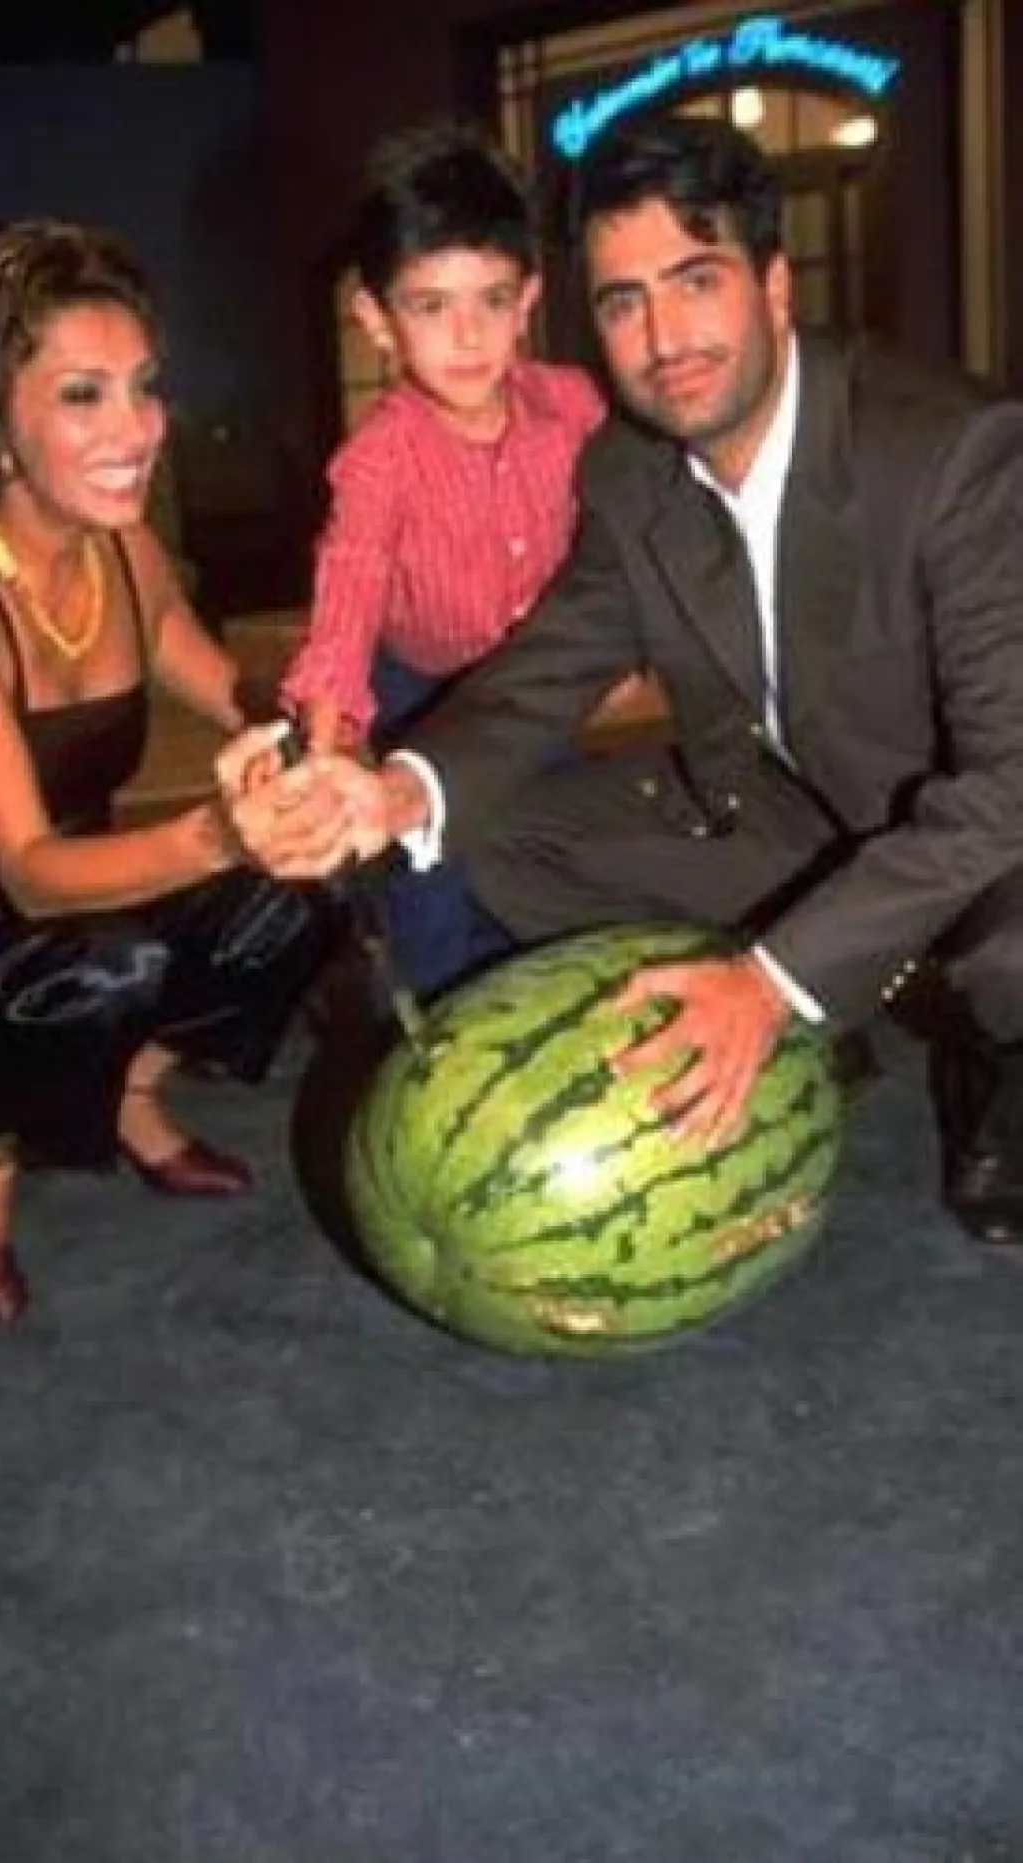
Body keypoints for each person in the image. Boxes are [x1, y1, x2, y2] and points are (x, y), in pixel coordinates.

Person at [232, 114, 1023, 1251]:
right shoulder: (632, 469)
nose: (665, 337)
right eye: (622, 302)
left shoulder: (958, 453)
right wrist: (392, 793)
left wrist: (773, 979)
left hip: (987, 841)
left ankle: (973, 1050)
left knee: (1008, 958)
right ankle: (824, 998)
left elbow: (1005, 791)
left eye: (696, 280)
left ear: (774, 285)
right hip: (794, 811)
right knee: (503, 843)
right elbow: (545, 670)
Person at [0, 219, 341, 1326]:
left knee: (315, 877)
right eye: (82, 395)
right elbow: (28, 872)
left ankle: (128, 1092)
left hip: (93, 923)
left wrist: (326, 734)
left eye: (143, 387)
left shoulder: (124, 551)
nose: (138, 428)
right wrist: (221, 833)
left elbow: (238, 696)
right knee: (105, 963)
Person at [278, 117, 606, 998]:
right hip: (414, 689)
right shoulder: (376, 462)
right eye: (430, 306)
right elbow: (346, 603)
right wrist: (329, 746)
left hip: (535, 678)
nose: (467, 335)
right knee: (431, 887)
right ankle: (439, 1021)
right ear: (375, 319)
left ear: (528, 300)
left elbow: (639, 519)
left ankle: (555, 1012)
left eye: (491, 301)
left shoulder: (573, 408)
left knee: (555, 857)